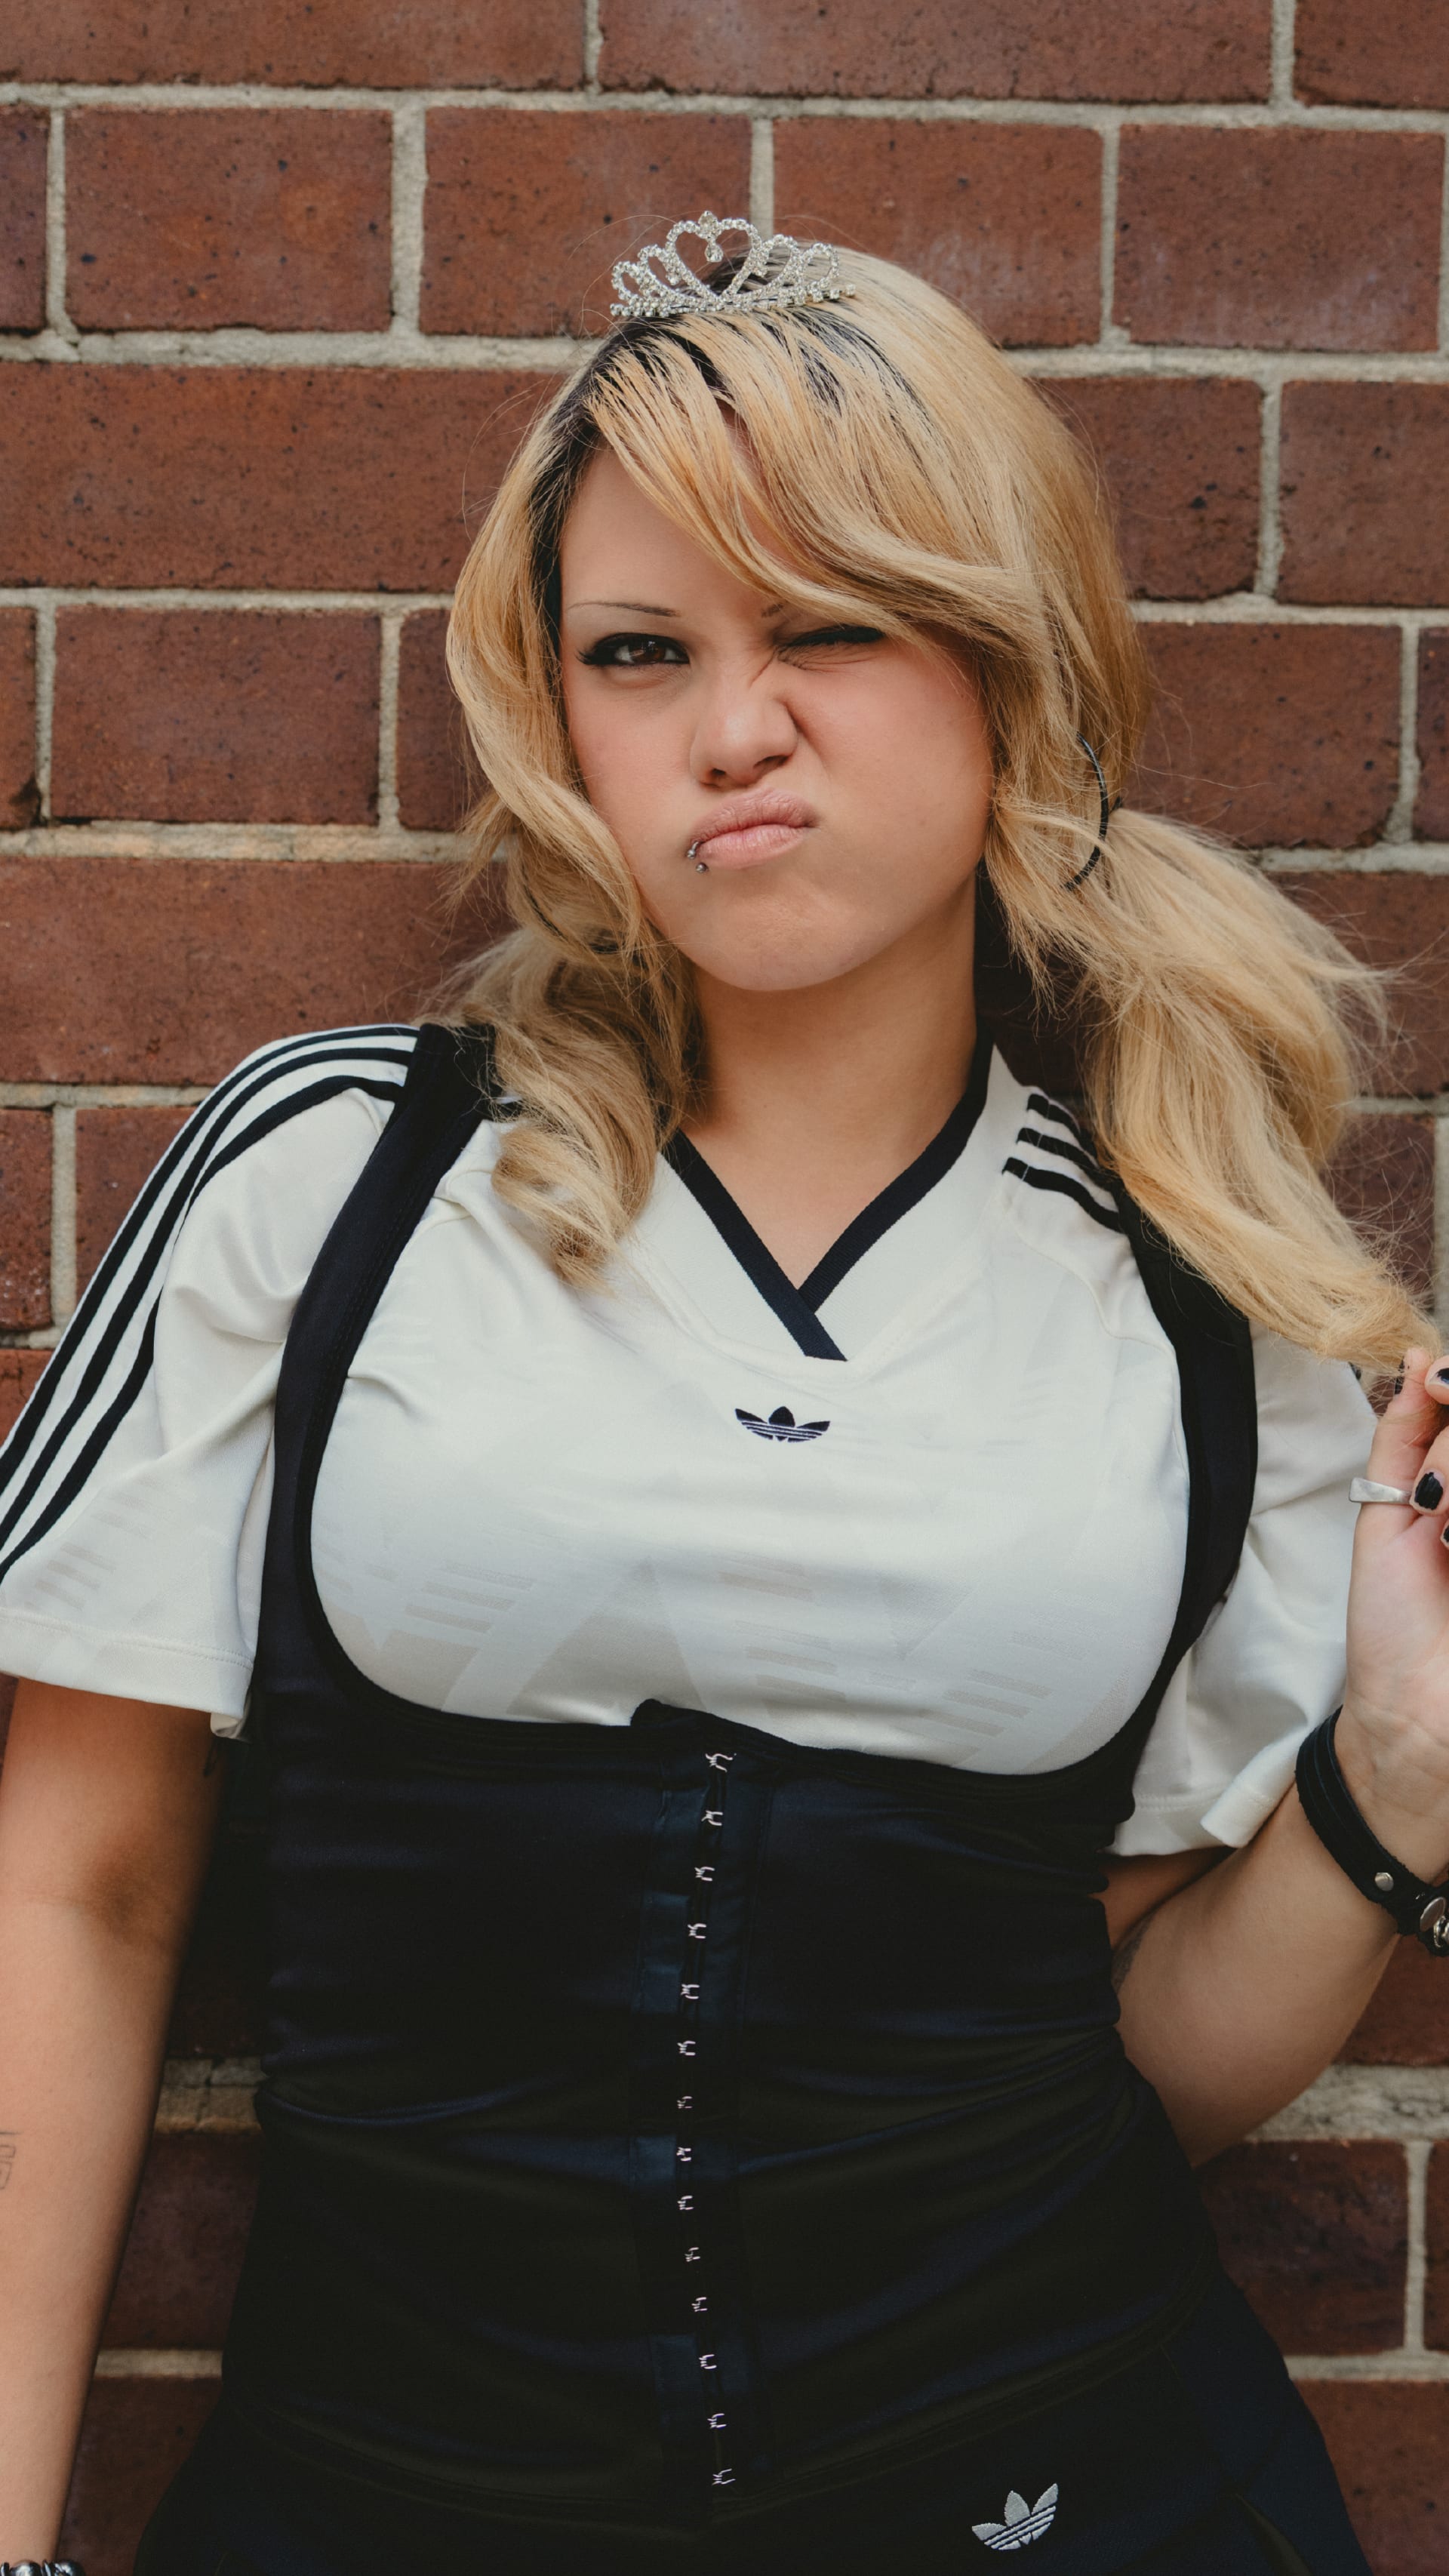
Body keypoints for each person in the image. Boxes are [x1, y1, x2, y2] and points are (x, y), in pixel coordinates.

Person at [2, 216, 1448, 2576]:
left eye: (832, 627)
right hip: (387, 2504)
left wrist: (1403, 1771)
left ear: (1011, 668)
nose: (731, 726)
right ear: (556, 715)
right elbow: (76, 1877)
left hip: (1074, 2496)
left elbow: (1140, 2065)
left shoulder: (1215, 1303)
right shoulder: (342, 1176)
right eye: (643, 652)